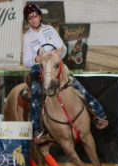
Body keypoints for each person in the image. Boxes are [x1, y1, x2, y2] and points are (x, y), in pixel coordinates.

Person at [23, 4, 108, 144]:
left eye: (35, 16)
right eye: (29, 18)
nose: (33, 19)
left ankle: (99, 115)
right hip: (39, 67)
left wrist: (58, 53)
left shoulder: (49, 29)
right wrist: (36, 59)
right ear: (27, 20)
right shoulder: (27, 37)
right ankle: (37, 131)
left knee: (76, 85)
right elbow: (26, 61)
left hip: (56, 64)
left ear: (39, 16)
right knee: (36, 92)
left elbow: (62, 49)